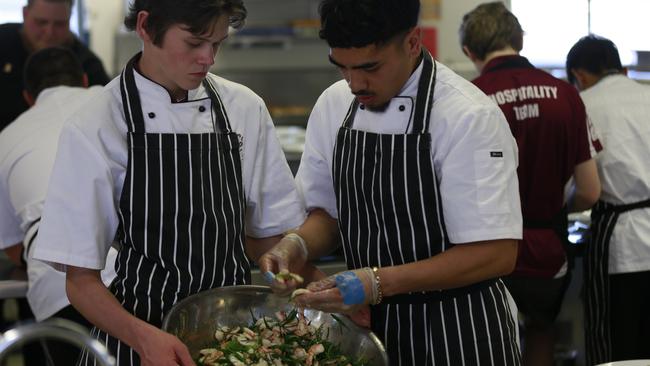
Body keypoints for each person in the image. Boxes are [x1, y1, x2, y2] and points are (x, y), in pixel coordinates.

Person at [31, 1, 307, 365]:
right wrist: (145, 339)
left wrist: (281, 260)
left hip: (232, 339)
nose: (208, 59)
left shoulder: (244, 109)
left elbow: (264, 234)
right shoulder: (96, 124)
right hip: (136, 336)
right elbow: (80, 280)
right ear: (146, 27)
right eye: (194, 43)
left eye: (218, 44)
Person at [259, 0, 524, 364]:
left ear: (413, 42)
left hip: (459, 329)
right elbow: (329, 215)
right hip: (366, 329)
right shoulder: (334, 105)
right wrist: (297, 245)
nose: (355, 83)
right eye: (342, 68)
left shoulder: (466, 116)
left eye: (370, 67)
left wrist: (374, 283)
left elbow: (495, 253)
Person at [458, 3, 601, 366]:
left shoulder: (466, 99)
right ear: (519, 40)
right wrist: (554, 205)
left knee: (489, 344)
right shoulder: (566, 95)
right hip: (547, 247)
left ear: (469, 51)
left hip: (484, 250)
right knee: (541, 332)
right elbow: (589, 190)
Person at [0, 47, 118, 365]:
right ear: (83, 80)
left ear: (28, 96)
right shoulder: (115, 100)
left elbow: (13, 249)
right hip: (139, 265)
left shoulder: (6, 138)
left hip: (59, 285)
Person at [566, 35, 650, 365]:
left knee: (617, 349)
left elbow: (584, 190)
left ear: (579, 75)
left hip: (622, 247)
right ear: (622, 68)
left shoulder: (582, 105)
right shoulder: (647, 93)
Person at [0, 0, 109, 131]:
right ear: (25, 14)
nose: (49, 32)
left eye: (59, 24)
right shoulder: (2, 42)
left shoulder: (88, 65)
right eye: (41, 22)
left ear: (70, 19)